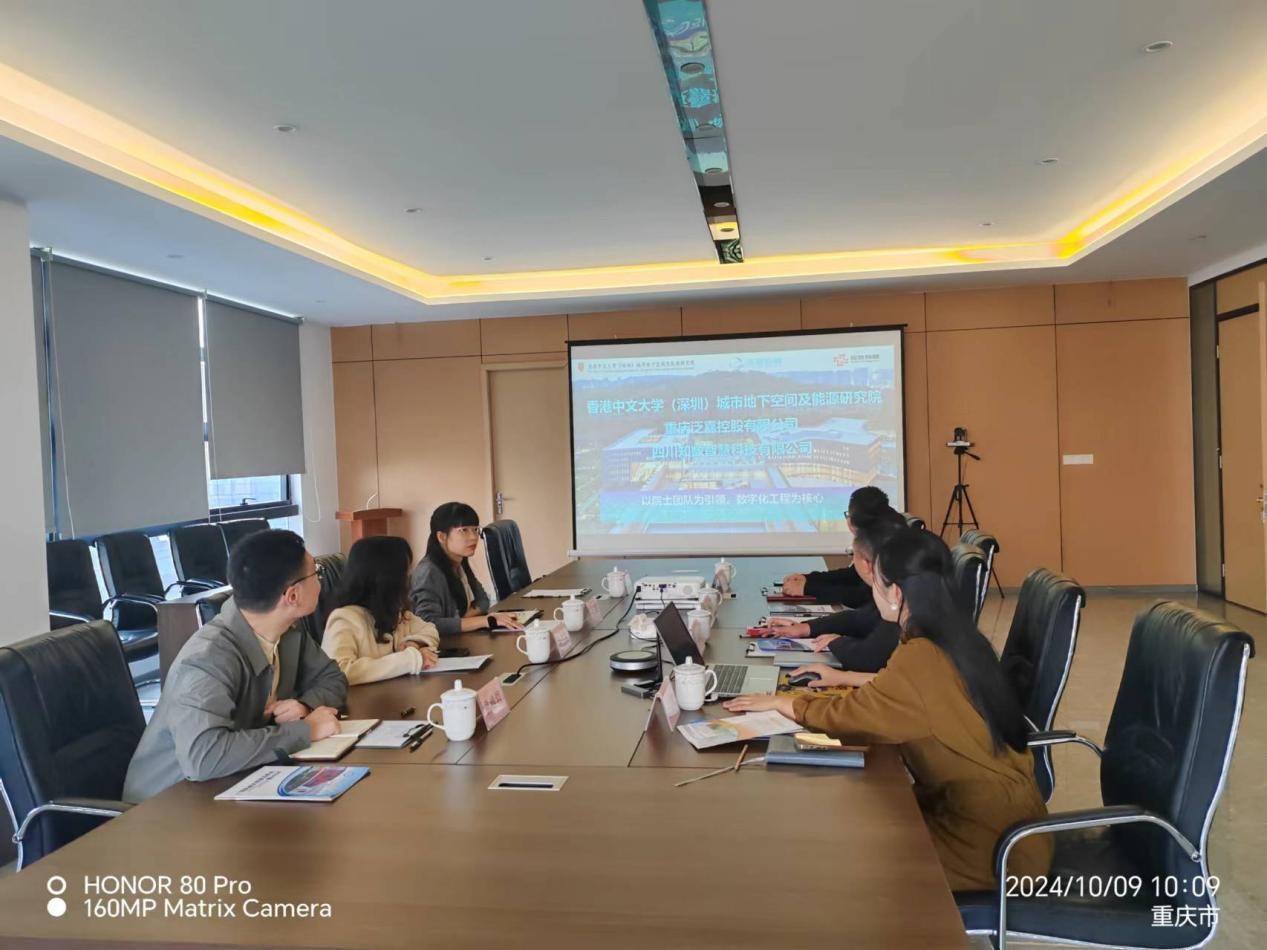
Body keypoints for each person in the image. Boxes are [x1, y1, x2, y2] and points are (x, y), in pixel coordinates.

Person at [726, 528, 1050, 891]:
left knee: (839, 860)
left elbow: (850, 718)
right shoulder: (951, 637)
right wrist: (830, 687)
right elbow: (896, 696)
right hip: (999, 823)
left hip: (991, 850)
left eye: (877, 584)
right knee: (855, 823)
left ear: (896, 593)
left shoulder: (920, 655)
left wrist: (784, 702)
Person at [123, 530, 348, 802]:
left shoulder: (287, 631)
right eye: (317, 573)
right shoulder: (207, 658)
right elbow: (204, 757)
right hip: (166, 804)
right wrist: (305, 731)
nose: (321, 582)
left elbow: (333, 678)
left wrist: (305, 705)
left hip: (233, 783)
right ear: (293, 595)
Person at [764, 512, 913, 682]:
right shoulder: (901, 586)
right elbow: (860, 618)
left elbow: (869, 658)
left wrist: (837, 643)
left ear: (867, 563)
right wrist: (805, 627)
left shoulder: (904, 602)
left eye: (852, 554)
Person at [323, 536, 441, 684]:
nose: (409, 579)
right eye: (405, 572)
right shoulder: (344, 619)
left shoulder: (394, 611)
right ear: (387, 578)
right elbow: (340, 672)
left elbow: (429, 629)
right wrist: (410, 659)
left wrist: (415, 643)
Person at [409, 501, 523, 635]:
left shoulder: (459, 561)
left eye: (475, 530)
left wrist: (462, 620)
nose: (474, 537)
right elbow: (427, 623)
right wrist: (485, 621)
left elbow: (483, 600)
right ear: (442, 537)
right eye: (464, 530)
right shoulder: (429, 572)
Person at [781, 486, 895, 604]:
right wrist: (808, 579)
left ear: (852, 521)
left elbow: (862, 596)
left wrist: (807, 588)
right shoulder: (884, 533)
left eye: (848, 515)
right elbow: (853, 575)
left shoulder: (890, 544)